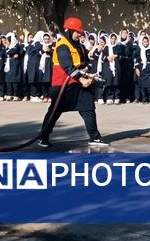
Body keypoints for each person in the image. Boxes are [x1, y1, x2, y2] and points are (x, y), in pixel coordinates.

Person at [38, 17, 108, 148]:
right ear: (69, 31)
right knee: (54, 112)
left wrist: (87, 71)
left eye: (80, 32)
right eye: (76, 32)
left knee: (88, 107)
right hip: (63, 86)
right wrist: (82, 79)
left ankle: (94, 137)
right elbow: (67, 66)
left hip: (77, 83)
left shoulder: (78, 46)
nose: (79, 34)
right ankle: (43, 137)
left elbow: (85, 61)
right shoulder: (62, 45)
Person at [3, 33, 23, 101]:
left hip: (15, 64)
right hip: (9, 64)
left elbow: (12, 51)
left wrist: (9, 51)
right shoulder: (7, 47)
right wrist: (9, 51)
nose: (7, 42)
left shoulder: (16, 46)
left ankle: (16, 95)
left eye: (8, 41)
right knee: (8, 80)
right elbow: (5, 53)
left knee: (15, 80)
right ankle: (9, 94)